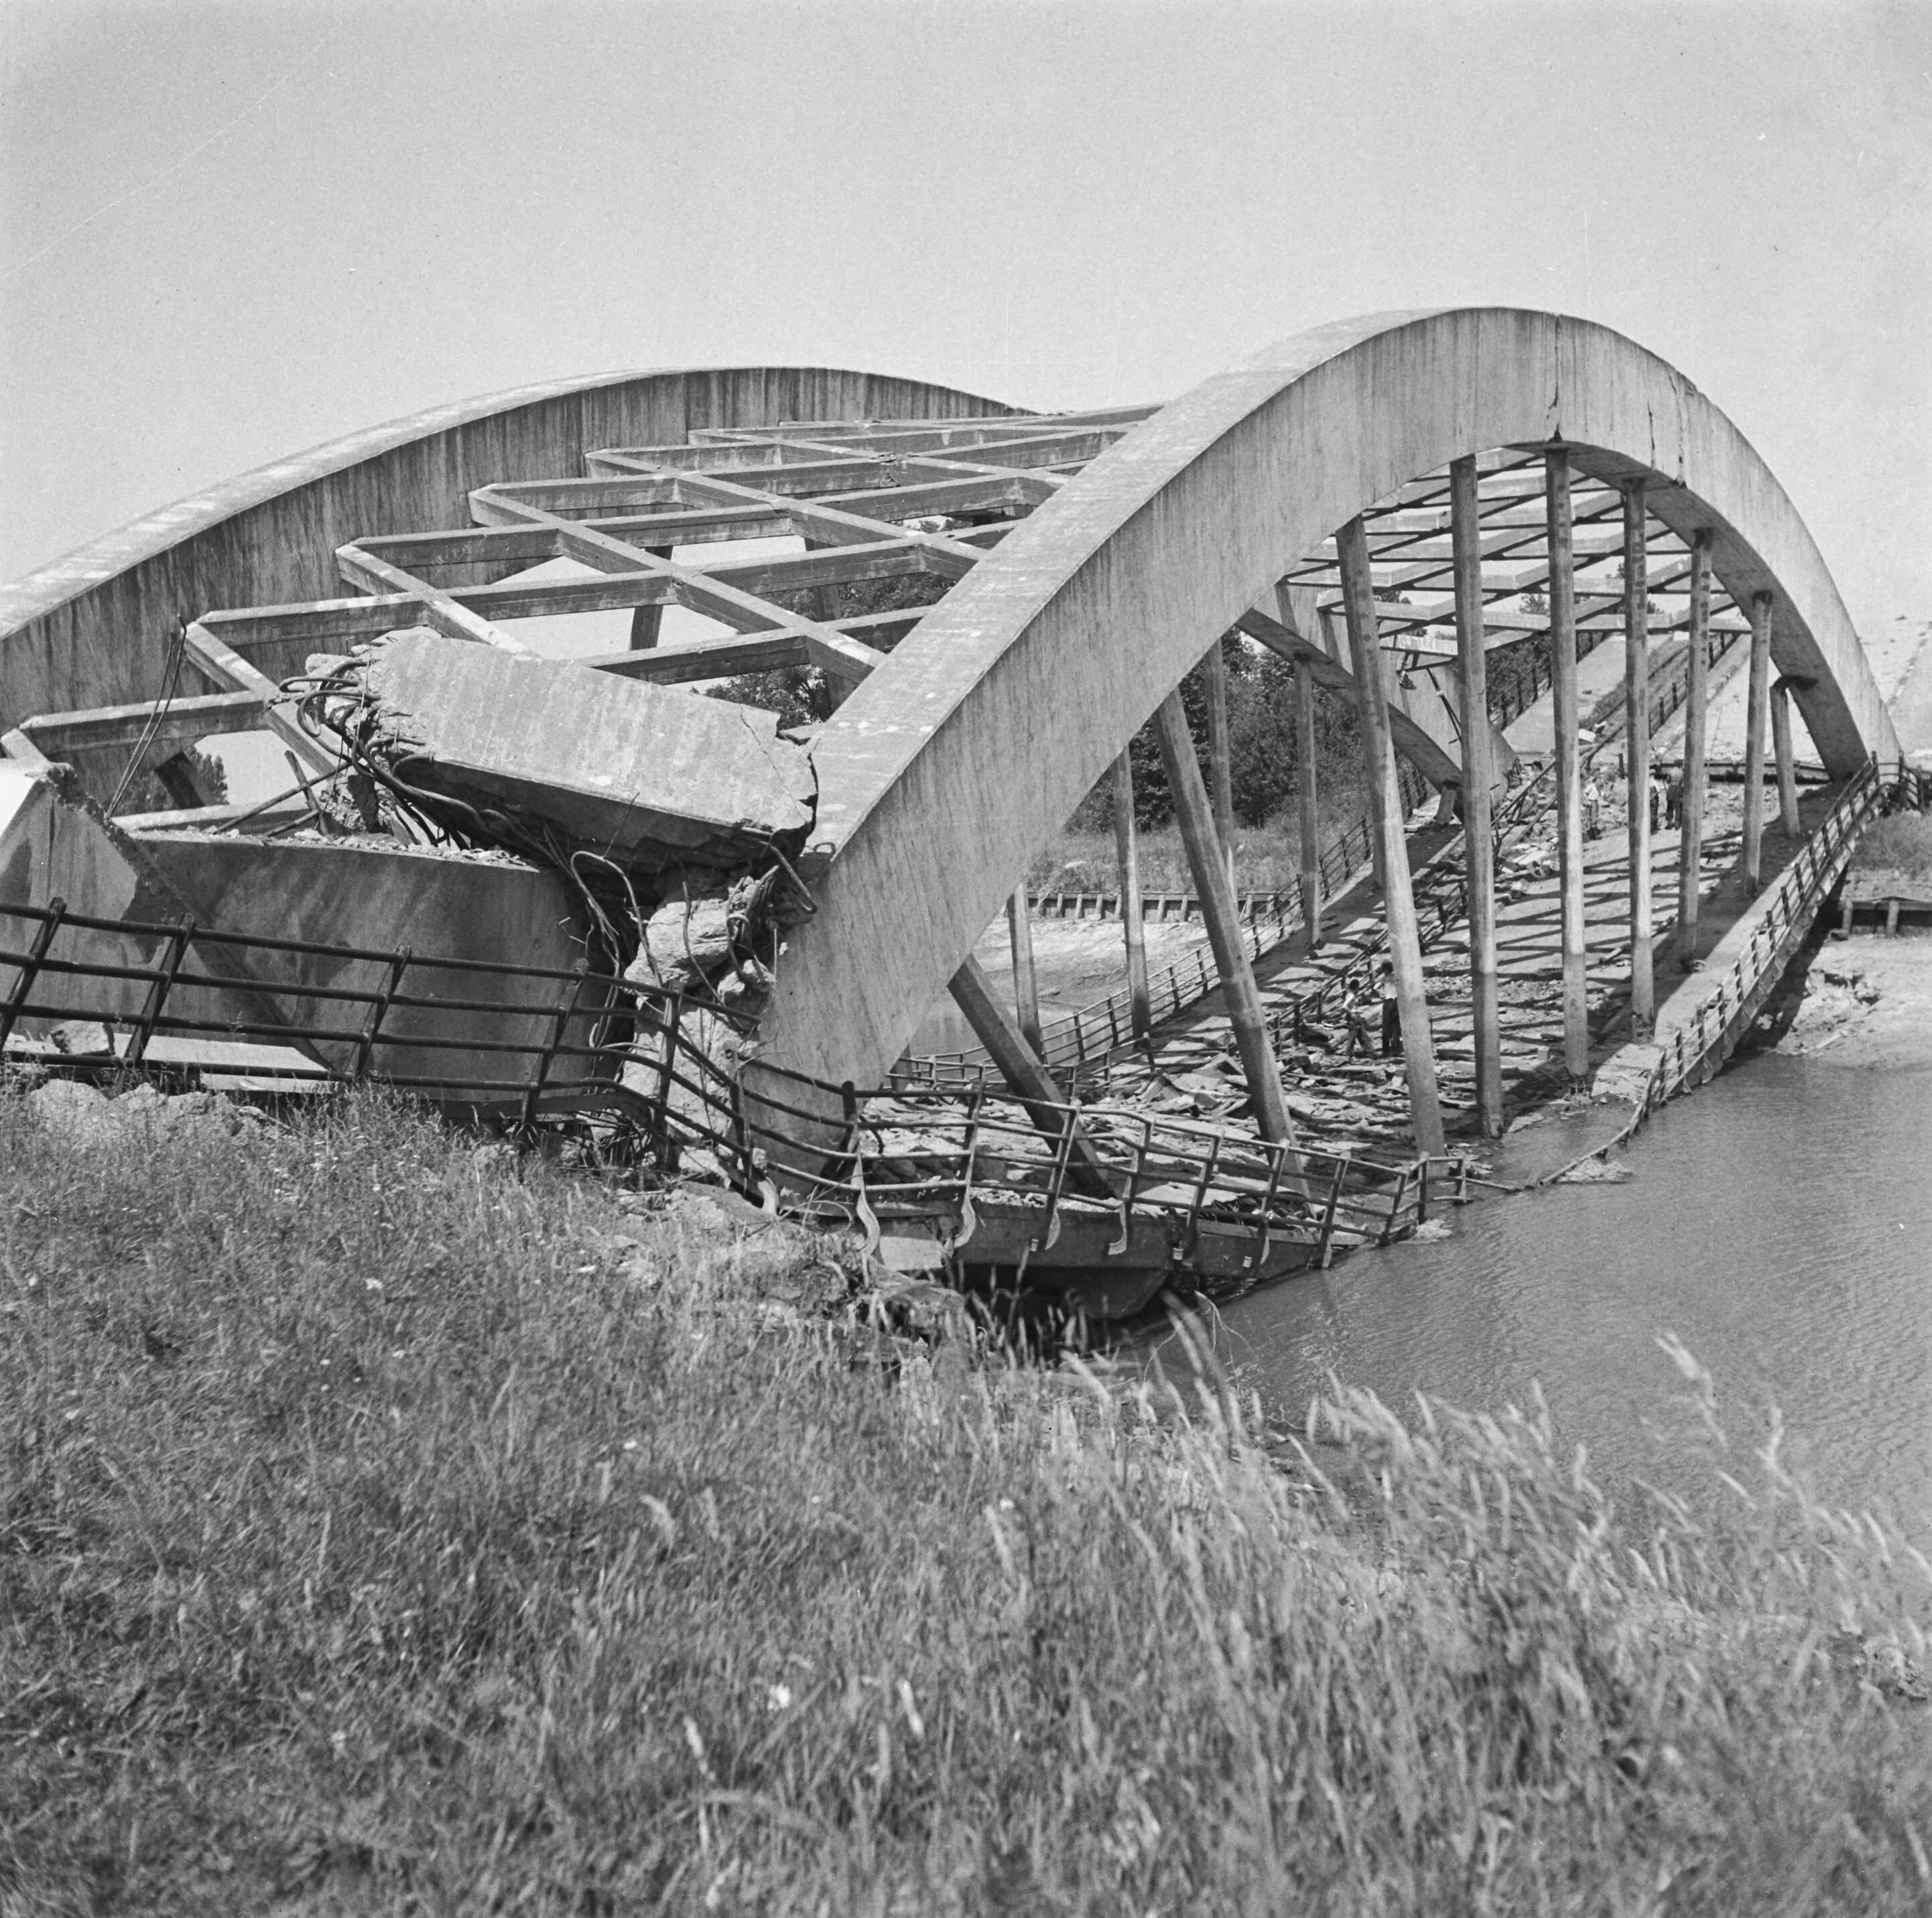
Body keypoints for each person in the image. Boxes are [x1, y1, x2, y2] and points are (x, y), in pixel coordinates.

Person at [1378, 960, 1401, 1058]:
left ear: (1386, 969)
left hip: (1388, 1002)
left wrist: (1380, 995)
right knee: (1396, 1026)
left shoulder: (1385, 979)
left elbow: (1375, 987)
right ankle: (1395, 1049)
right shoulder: (1396, 978)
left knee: (1386, 1026)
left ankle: (1386, 1051)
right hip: (1396, 1002)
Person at [1582, 775, 1602, 840]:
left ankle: (1594, 835)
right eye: (1598, 781)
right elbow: (1585, 793)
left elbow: (1601, 795)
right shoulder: (1591, 786)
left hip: (1595, 802)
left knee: (1595, 817)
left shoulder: (1598, 788)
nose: (1600, 782)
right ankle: (1592, 835)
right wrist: (1588, 801)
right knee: (1591, 818)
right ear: (1595, 781)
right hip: (1591, 802)